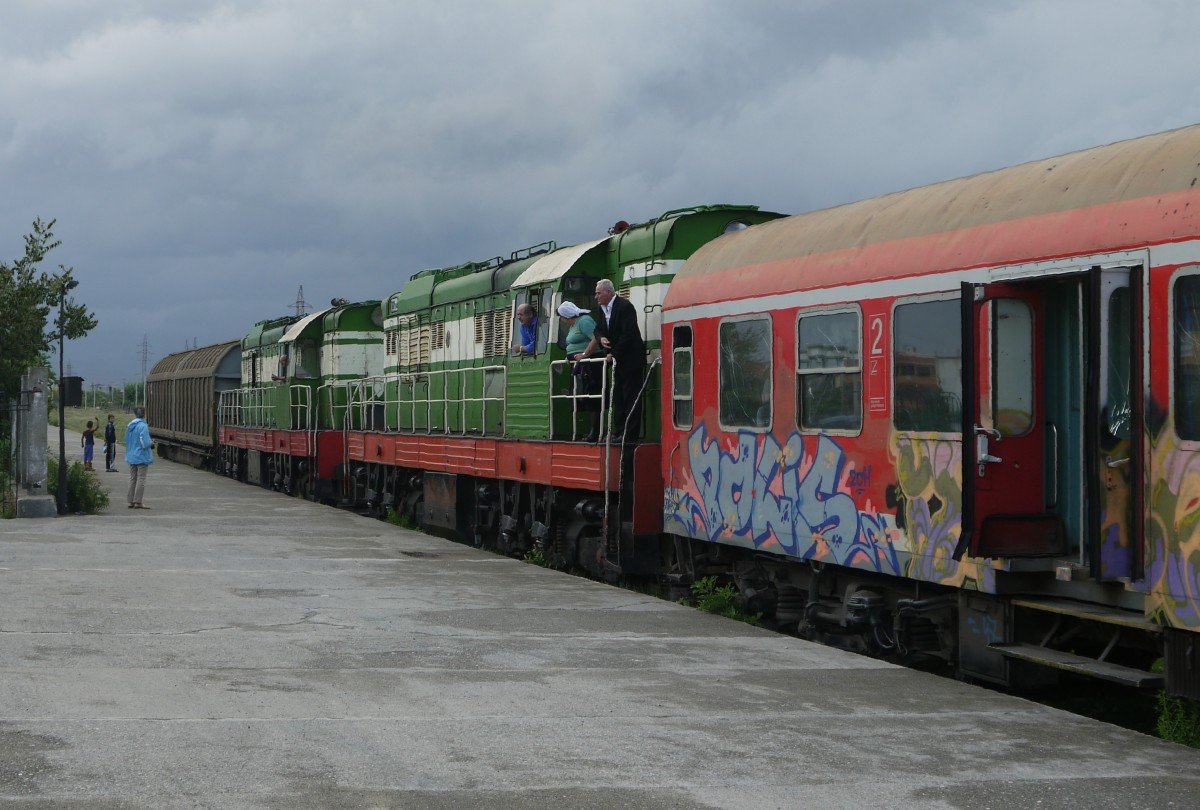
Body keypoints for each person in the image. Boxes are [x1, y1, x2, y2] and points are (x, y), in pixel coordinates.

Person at [592, 279, 646, 442]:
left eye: (598, 293)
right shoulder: (601, 309)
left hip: (630, 359)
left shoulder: (625, 306)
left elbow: (628, 334)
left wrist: (614, 353)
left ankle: (629, 434)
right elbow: (598, 329)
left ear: (609, 292)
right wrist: (601, 339)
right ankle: (619, 431)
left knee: (631, 397)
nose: (596, 297)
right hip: (617, 361)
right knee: (618, 396)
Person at [558, 300, 601, 441]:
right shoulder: (573, 325)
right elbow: (573, 343)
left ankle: (595, 432)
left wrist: (584, 354)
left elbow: (595, 338)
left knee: (592, 396)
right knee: (583, 397)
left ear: (566, 316)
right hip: (579, 366)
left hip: (590, 364)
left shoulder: (584, 321)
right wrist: (569, 356)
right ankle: (590, 431)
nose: (562, 320)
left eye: (562, 317)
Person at [125, 406, 154, 509]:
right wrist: (151, 443)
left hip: (131, 455)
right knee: (141, 479)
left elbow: (126, 439)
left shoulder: (130, 425)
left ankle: (130, 501)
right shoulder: (143, 426)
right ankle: (138, 501)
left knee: (132, 478)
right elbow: (144, 443)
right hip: (141, 456)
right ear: (144, 414)